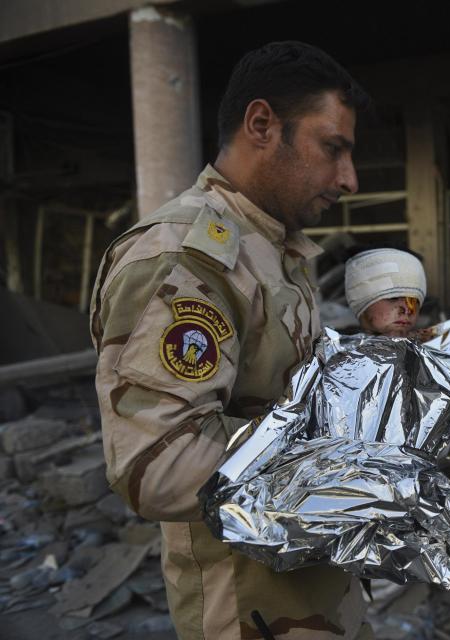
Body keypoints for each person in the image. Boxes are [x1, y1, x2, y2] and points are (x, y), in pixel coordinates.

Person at [90, 42, 372, 639]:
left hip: (314, 587)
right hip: (252, 612)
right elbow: (159, 462)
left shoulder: (271, 245)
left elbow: (278, 392)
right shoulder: (187, 258)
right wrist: (352, 468)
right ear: (262, 125)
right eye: (333, 149)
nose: (349, 178)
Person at [344, 247, 427, 337]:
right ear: (360, 299)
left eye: (413, 301)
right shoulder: (333, 349)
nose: (407, 310)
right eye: (393, 298)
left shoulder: (434, 346)